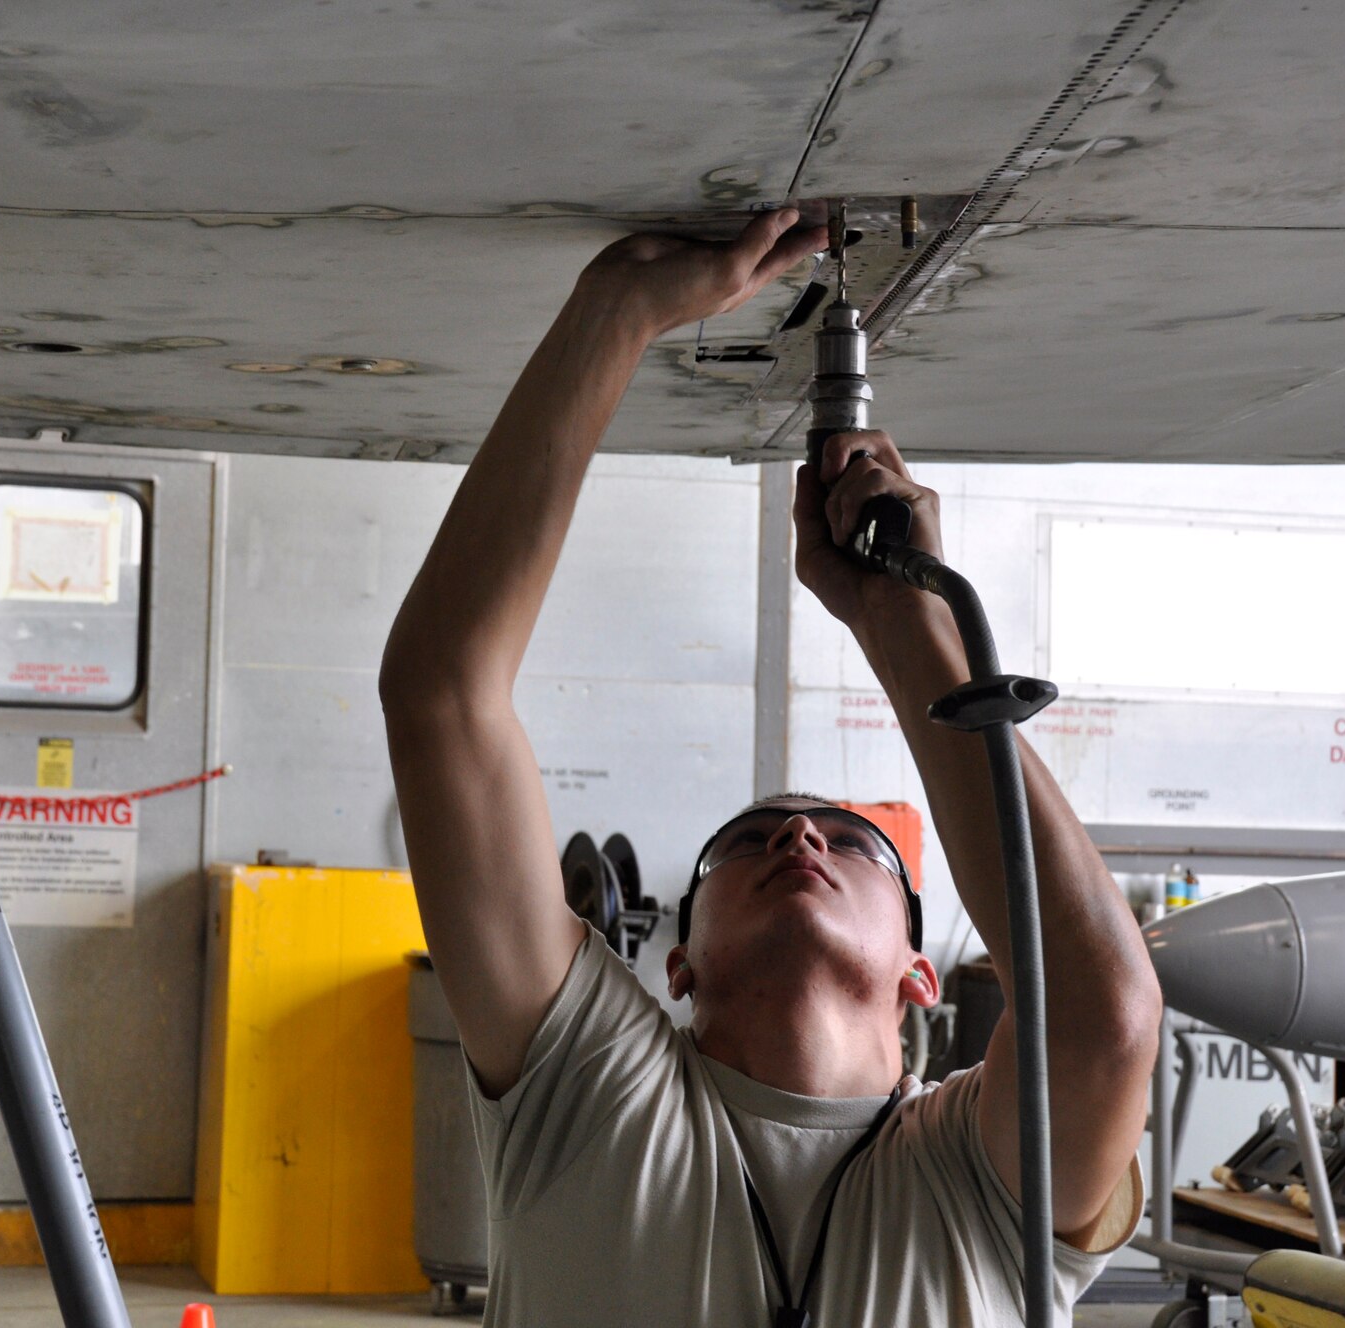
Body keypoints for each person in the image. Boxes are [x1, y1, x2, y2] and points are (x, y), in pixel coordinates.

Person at [378, 208, 1161, 1326]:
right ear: (679, 963)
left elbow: (1104, 1017)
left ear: (918, 973)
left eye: (851, 841)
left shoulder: (976, 1177)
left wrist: (902, 622)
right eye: (746, 841)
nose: (799, 835)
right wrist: (618, 309)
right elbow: (440, 697)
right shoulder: (590, 1092)